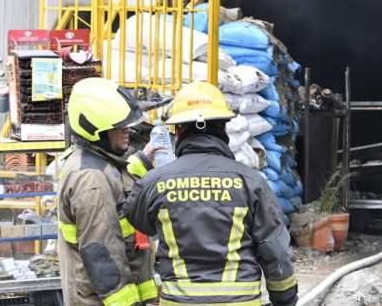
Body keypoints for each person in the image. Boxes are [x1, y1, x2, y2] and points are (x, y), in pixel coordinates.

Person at [124, 81, 298, 306]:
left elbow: (136, 219)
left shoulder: (156, 182)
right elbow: (275, 250)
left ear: (178, 130)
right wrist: (284, 299)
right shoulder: (250, 182)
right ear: (223, 128)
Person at [57, 77, 158, 306]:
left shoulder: (97, 164)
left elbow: (118, 183)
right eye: (118, 125)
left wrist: (143, 160)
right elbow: (102, 253)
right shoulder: (91, 179)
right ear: (95, 129)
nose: (127, 130)